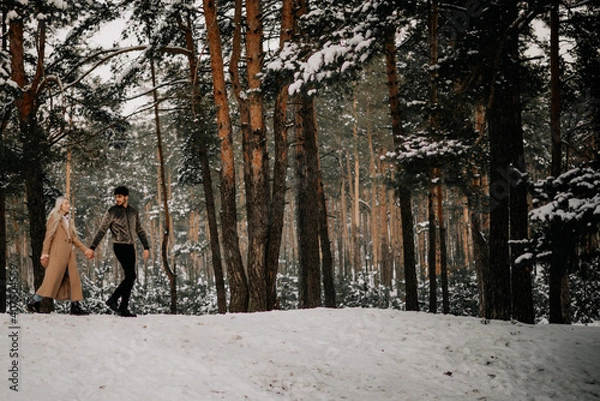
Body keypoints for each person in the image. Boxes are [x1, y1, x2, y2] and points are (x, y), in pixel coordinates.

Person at [87, 186, 150, 317]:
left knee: (130, 277)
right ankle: (113, 300)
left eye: (120, 196)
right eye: (116, 197)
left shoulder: (133, 212)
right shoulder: (112, 212)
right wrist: (93, 247)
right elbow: (101, 230)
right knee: (131, 276)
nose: (117, 199)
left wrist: (146, 246)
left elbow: (140, 230)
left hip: (131, 246)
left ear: (126, 197)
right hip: (119, 246)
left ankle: (123, 308)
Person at [26, 196, 91, 315]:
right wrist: (45, 254)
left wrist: (86, 250)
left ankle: (75, 306)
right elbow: (48, 237)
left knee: (73, 280)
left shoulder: (69, 220)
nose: (68, 205)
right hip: (57, 255)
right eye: (66, 203)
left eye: (68, 203)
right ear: (60, 205)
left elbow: (74, 239)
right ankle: (33, 302)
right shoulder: (54, 218)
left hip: (69, 256)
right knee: (50, 281)